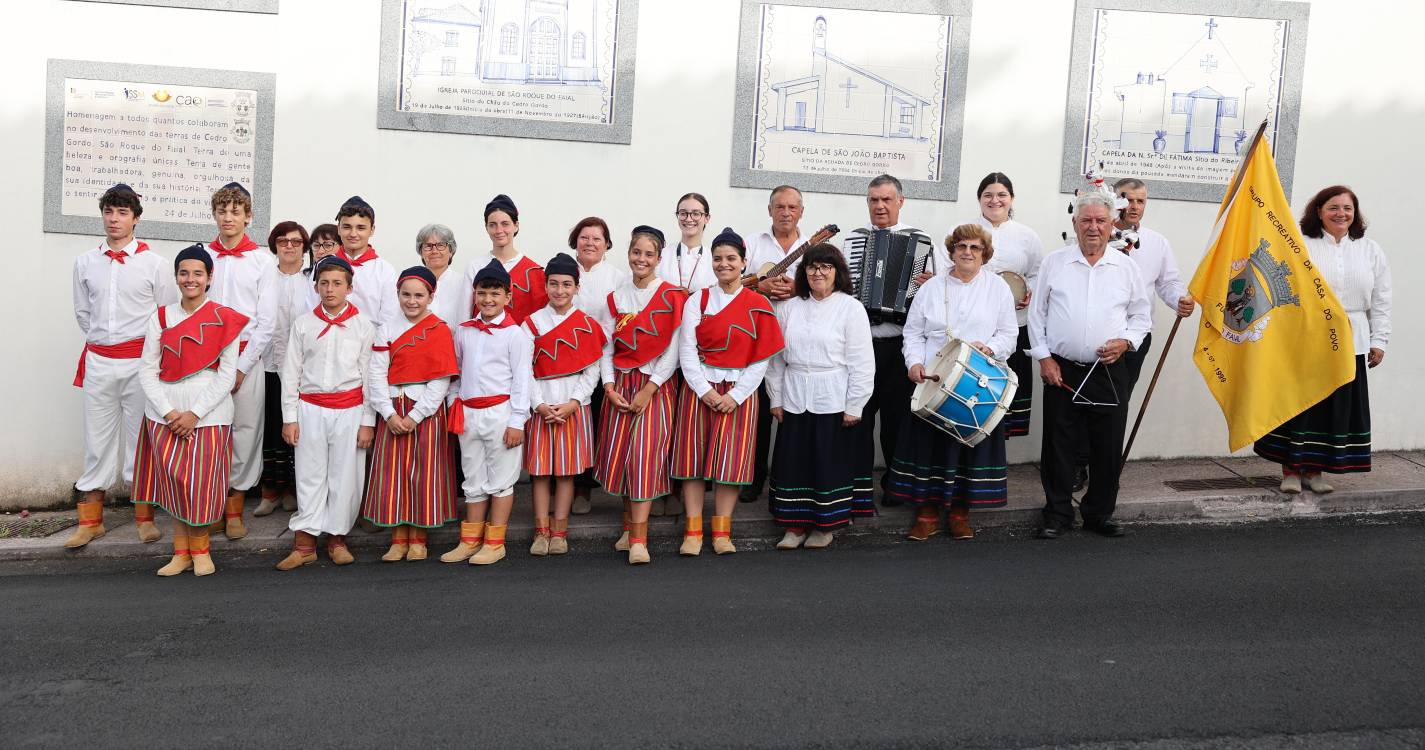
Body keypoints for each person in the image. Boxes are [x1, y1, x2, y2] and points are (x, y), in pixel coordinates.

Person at [1028, 193, 1150, 539]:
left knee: (1107, 446)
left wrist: (1126, 341)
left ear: (1112, 226)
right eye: (1086, 220)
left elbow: (1142, 316)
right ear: (1075, 224)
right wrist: (1044, 357)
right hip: (1062, 369)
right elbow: (1037, 316)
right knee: (1058, 446)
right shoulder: (1054, 263)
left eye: (1100, 221)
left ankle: (1099, 514)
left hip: (1109, 371)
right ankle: (1057, 514)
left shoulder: (1126, 266)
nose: (1093, 227)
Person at [1254, 186, 1391, 493]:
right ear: (1319, 211)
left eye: (1347, 208)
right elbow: (1282, 288)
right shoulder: (1300, 245)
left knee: (1333, 407)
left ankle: (1314, 472)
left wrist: (1379, 340)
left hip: (1352, 337)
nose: (1341, 213)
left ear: (1355, 213)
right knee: (1301, 404)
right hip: (1306, 337)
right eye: (1333, 207)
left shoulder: (1370, 250)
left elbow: (1382, 299)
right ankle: (1290, 471)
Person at [891, 224, 1018, 540]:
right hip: (934, 380)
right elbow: (913, 332)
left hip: (977, 382)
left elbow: (1009, 334)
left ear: (984, 253)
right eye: (961, 246)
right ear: (952, 250)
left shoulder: (997, 288)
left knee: (966, 452)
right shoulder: (932, 288)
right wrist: (914, 363)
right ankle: (927, 514)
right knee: (929, 450)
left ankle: (961, 513)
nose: (968, 252)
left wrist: (992, 348)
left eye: (975, 247)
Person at [68, 183, 176, 549]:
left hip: (138, 364)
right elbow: (83, 313)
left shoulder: (155, 265)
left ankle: (144, 519)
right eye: (109, 212)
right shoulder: (85, 262)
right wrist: (105, 344)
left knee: (139, 441)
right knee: (96, 442)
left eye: (122, 213)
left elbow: (164, 317)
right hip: (99, 360)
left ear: (136, 218)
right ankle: (91, 521)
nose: (114, 220)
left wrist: (146, 358)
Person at [133, 245, 248, 576]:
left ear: (210, 278)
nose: (190, 279)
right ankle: (180, 553)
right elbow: (147, 370)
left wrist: (195, 413)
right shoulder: (161, 317)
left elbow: (227, 375)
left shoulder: (224, 317)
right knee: (174, 484)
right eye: (184, 272)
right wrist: (170, 413)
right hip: (163, 415)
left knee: (201, 486)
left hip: (209, 416)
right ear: (176, 277)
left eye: (198, 273)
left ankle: (201, 551)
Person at [670, 228, 785, 556]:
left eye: (731, 258)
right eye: (718, 258)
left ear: (743, 262)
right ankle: (693, 531)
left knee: (729, 465)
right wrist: (704, 390)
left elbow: (761, 357)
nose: (724, 264)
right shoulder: (699, 300)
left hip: (740, 394)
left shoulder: (758, 303)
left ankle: (722, 531)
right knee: (692, 463)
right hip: (699, 390)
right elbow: (687, 350)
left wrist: (735, 395)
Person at [843, 174, 949, 507]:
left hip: (901, 345)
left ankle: (896, 485)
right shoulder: (853, 240)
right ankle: (856, 487)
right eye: (873, 200)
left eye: (886, 200)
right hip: (862, 346)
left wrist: (929, 282)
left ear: (900, 202)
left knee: (897, 420)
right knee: (858, 416)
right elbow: (842, 289)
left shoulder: (920, 240)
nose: (879, 206)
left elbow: (937, 290)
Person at [765, 243, 874, 550]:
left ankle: (825, 526)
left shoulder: (850, 308)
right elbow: (776, 359)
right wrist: (776, 398)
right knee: (793, 463)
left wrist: (855, 404)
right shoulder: (789, 308)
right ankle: (794, 526)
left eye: (826, 267)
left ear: (837, 272)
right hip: (795, 394)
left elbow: (863, 362)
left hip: (833, 396)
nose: (818, 272)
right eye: (812, 267)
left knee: (828, 463)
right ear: (803, 272)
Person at [593, 226, 688, 565]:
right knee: (621, 456)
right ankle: (627, 527)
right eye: (637, 253)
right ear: (629, 254)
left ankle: (639, 539)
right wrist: (608, 386)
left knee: (645, 457)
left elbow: (674, 350)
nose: (641, 259)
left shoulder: (672, 296)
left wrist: (650, 388)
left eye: (649, 254)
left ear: (659, 258)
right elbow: (606, 347)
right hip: (620, 383)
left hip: (655, 386)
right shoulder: (616, 297)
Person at [276, 256, 378, 570]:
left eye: (337, 283)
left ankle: (337, 538)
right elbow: (291, 372)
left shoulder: (363, 326)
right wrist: (289, 417)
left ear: (349, 287)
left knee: (345, 476)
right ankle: (305, 542)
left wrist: (367, 421)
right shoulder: (304, 324)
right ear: (316, 286)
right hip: (310, 409)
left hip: (349, 410)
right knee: (309, 473)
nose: (330, 289)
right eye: (324, 283)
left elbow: (369, 377)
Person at [362, 266, 460, 561]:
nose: (412, 301)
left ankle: (418, 537)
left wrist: (416, 415)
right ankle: (397, 537)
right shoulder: (387, 328)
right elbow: (376, 373)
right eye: (406, 294)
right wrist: (389, 414)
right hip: (393, 408)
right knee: (394, 474)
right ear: (398, 294)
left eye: (419, 295)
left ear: (431, 296)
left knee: (423, 474)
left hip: (423, 413)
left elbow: (440, 379)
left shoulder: (439, 329)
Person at [439, 260, 531, 566]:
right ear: (474, 295)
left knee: (501, 480)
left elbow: (521, 381)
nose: (488, 299)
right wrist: (455, 403)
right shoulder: (464, 331)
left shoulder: (515, 335)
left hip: (500, 413)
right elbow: (456, 372)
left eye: (494, 293)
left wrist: (517, 420)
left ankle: (495, 543)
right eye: (482, 293)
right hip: (469, 414)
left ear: (508, 296)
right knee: (473, 479)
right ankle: (469, 540)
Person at [202, 182, 277, 540]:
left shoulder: (263, 262)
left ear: (248, 216)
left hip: (248, 357)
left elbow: (267, 321)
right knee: (210, 431)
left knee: (246, 431)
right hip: (207, 359)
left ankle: (235, 507)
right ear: (215, 214)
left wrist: (243, 366)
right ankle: (211, 507)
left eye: (236, 211)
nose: (228, 218)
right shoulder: (203, 257)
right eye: (222, 211)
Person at [523, 253, 606, 556]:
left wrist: (575, 401)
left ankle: (560, 531)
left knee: (567, 473)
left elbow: (593, 369)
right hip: (542, 408)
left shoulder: (586, 324)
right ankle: (540, 530)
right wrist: (539, 405)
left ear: (576, 287)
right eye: (554, 284)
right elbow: (524, 370)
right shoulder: (531, 324)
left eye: (566, 284)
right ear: (545, 286)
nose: (560, 290)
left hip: (574, 408)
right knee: (541, 473)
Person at [740, 185, 806, 505]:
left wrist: (799, 289)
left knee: (791, 410)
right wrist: (760, 287)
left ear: (801, 212)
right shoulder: (752, 244)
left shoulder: (812, 248)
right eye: (779, 207)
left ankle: (786, 477)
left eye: (792, 207)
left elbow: (828, 289)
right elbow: (731, 283)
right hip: (755, 340)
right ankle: (753, 478)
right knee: (758, 413)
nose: (785, 213)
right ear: (769, 210)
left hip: (798, 341)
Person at [973, 172, 1044, 439]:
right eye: (988, 195)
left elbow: (1038, 273)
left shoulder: (1027, 236)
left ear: (1011, 199)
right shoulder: (964, 231)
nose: (995, 200)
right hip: (975, 327)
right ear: (979, 199)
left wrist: (1030, 292)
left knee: (1006, 391)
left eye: (1002, 194)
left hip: (1014, 324)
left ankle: (993, 456)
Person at [568, 217, 627, 515]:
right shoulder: (563, 270)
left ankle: (584, 490)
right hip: (564, 362)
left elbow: (617, 323)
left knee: (591, 424)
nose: (589, 243)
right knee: (566, 424)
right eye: (584, 237)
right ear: (574, 240)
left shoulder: (617, 277)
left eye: (597, 238)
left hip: (601, 358)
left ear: (607, 244)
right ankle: (561, 486)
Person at [253, 221, 309, 517]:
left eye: (296, 241)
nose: (289, 246)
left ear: (305, 246)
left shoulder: (312, 281)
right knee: (270, 426)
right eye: (283, 241)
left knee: (295, 427)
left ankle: (291, 489)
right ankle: (270, 491)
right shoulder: (264, 276)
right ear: (274, 244)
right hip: (267, 365)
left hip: (301, 370)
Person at [456, 194, 546, 324]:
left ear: (516, 226)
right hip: (480, 341)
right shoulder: (475, 266)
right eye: (492, 225)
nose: (499, 230)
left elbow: (540, 320)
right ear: (486, 228)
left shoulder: (533, 272)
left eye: (505, 224)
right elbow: (464, 315)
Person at [333, 196, 401, 332]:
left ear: (372, 230)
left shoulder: (385, 270)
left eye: (361, 228)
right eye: (347, 227)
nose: (353, 234)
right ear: (338, 229)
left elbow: (389, 319)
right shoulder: (323, 265)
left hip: (368, 347)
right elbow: (311, 311)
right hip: (326, 347)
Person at [657, 193, 718, 293]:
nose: (689, 219)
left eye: (696, 213)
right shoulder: (662, 255)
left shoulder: (713, 259)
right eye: (683, 213)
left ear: (707, 218)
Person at [415, 224, 465, 326]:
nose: (434, 251)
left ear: (451, 251)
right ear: (421, 252)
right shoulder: (412, 283)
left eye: (441, 245)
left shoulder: (464, 283)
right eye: (428, 246)